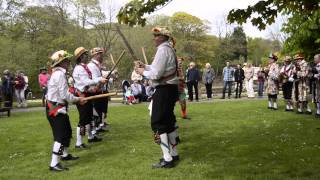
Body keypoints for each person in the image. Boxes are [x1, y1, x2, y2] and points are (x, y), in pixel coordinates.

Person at [135, 26, 179, 168]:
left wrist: (142, 71)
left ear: (162, 37)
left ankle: (167, 159)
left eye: (156, 36)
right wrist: (146, 66)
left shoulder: (162, 50)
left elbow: (156, 75)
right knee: (168, 122)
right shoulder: (169, 48)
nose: (154, 38)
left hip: (164, 89)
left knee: (158, 123)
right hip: (170, 88)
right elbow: (156, 69)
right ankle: (174, 154)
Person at [46, 50, 86, 171]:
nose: (69, 62)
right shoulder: (59, 75)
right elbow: (65, 95)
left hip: (58, 107)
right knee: (61, 136)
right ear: (62, 62)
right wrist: (78, 99)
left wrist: (76, 99)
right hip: (55, 109)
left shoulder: (58, 74)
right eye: (67, 60)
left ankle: (64, 155)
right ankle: (54, 164)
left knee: (67, 132)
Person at [72, 47, 106, 149]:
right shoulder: (79, 68)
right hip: (81, 96)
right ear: (81, 57)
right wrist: (99, 79)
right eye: (85, 55)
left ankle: (91, 136)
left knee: (90, 117)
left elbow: (88, 82)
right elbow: (86, 82)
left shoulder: (84, 67)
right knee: (83, 120)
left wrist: (94, 87)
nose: (87, 56)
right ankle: (79, 143)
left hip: (87, 93)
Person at [88, 47, 110, 133]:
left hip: (100, 89)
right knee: (96, 111)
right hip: (95, 90)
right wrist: (103, 78)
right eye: (100, 54)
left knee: (100, 110)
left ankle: (98, 127)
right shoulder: (91, 65)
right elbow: (95, 78)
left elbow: (102, 75)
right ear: (95, 55)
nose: (101, 55)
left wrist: (109, 77)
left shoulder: (97, 65)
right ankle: (94, 130)